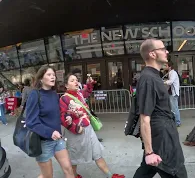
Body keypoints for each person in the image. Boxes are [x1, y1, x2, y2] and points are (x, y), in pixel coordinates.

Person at [133, 38, 187, 178]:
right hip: (162, 138)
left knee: (147, 170)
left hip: (163, 134)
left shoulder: (153, 76)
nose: (166, 51)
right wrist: (149, 152)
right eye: (163, 49)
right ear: (152, 54)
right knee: (176, 171)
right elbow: (144, 117)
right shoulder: (148, 79)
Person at [60, 73, 124, 178]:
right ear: (66, 85)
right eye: (72, 80)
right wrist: (76, 128)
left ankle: (110, 176)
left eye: (76, 80)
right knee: (74, 158)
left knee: (97, 153)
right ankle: (74, 176)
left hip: (88, 129)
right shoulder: (64, 99)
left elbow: (87, 91)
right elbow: (63, 118)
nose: (76, 82)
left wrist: (89, 83)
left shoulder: (79, 94)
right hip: (75, 132)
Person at [25, 66, 74, 178]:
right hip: (43, 142)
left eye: (53, 75)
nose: (53, 77)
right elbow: (31, 121)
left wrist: (67, 116)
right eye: (49, 75)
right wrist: (50, 132)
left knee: (69, 169)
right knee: (47, 176)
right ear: (41, 78)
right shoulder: (35, 94)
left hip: (58, 140)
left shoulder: (53, 94)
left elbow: (57, 114)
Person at [71, 68, 103, 142]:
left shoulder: (81, 85)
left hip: (85, 106)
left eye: (79, 75)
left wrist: (89, 85)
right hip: (78, 108)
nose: (78, 77)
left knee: (89, 122)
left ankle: (93, 138)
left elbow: (86, 93)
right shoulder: (73, 86)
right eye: (76, 76)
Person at [164, 61, 181, 127]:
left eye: (166, 66)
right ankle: (175, 121)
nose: (164, 67)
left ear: (169, 66)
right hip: (171, 93)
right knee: (173, 107)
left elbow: (170, 82)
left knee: (174, 108)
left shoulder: (173, 73)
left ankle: (177, 122)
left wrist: (163, 82)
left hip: (173, 93)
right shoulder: (170, 73)